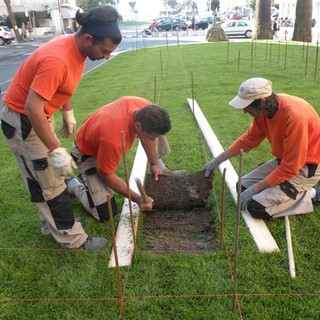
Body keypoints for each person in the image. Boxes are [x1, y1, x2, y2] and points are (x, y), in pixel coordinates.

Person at [1, 6, 122, 250]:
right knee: (52, 181)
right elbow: (33, 108)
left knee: (40, 177)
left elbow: (60, 88)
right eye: (105, 51)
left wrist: (67, 111)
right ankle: (73, 238)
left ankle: (51, 226)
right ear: (88, 38)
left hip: (37, 117)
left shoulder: (75, 48)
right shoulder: (57, 59)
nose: (107, 56)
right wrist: (56, 150)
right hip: (24, 120)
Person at [204, 77, 320, 220]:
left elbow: (291, 168)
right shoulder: (265, 112)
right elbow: (249, 140)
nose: (245, 111)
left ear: (262, 102)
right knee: (242, 187)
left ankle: (312, 193)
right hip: (285, 161)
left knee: (257, 207)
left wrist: (257, 188)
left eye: (248, 106)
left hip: (307, 167)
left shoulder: (296, 118)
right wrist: (217, 160)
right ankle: (285, 189)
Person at [67, 96, 185, 222]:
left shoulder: (144, 107)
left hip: (100, 139)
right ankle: (72, 184)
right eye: (151, 137)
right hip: (86, 154)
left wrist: (153, 163)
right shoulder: (114, 140)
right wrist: (137, 198)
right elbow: (104, 173)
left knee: (151, 135)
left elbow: (149, 138)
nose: (152, 140)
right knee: (105, 214)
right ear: (138, 126)